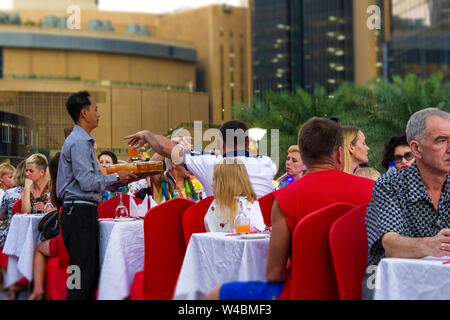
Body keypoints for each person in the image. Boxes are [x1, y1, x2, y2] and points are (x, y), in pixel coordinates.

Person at [206, 117, 374, 300]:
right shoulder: (371, 190)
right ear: (340, 154)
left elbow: (274, 274)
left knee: (215, 294)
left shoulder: (285, 198)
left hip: (300, 294)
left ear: (305, 157)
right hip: (359, 292)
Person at [56, 91, 136, 300]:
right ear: (84, 113)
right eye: (96, 109)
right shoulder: (80, 142)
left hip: (80, 211)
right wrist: (118, 175)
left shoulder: (83, 141)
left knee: (83, 272)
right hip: (79, 212)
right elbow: (88, 182)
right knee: (81, 274)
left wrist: (120, 179)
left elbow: (90, 182)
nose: (99, 114)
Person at [363, 108, 450, 300]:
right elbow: (391, 245)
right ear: (416, 149)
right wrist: (434, 244)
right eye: (441, 141)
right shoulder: (390, 185)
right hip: (393, 282)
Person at [125, 120, 277, 198]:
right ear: (248, 143)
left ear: (221, 143)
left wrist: (147, 135)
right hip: (264, 238)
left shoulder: (209, 163)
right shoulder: (267, 162)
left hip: (221, 237)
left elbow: (167, 148)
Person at [29, 153, 62, 300]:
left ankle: (38, 290)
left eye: (30, 170)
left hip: (67, 239)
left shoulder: (57, 187)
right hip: (81, 235)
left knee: (39, 247)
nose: (27, 174)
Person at [204, 159, 266, 233]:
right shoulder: (215, 206)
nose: (212, 184)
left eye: (214, 179)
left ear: (226, 184)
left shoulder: (249, 210)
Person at [0, 161, 26, 300]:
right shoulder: (38, 191)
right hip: (28, 235)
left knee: (3, 247)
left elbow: (2, 215)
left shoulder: (9, 193)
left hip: (11, 236)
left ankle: (11, 285)